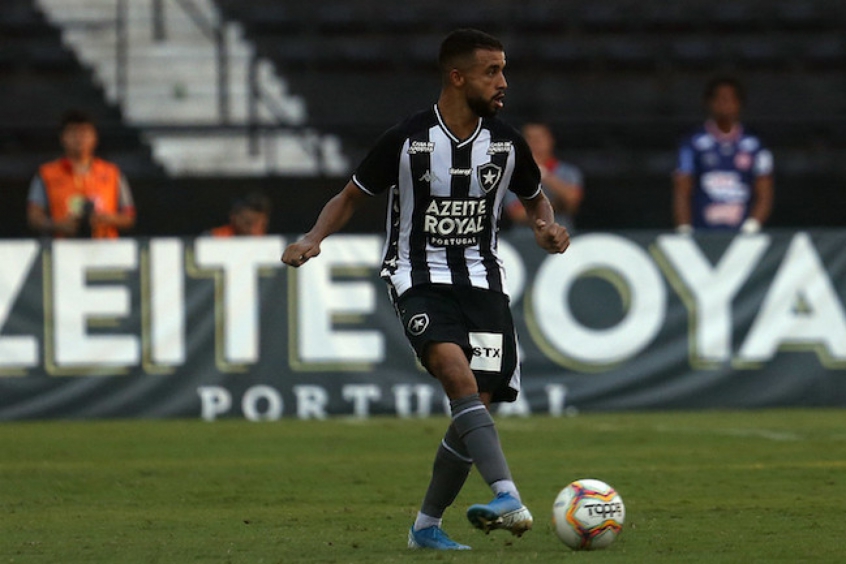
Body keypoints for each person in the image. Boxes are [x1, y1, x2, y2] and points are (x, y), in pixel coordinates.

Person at [282, 29, 569, 550]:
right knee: (454, 373)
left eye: (504, 70)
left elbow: (536, 198)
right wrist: (313, 237)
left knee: (474, 407)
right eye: (492, 72)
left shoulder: (506, 143)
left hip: (482, 281)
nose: (503, 82)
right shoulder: (408, 139)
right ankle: (507, 494)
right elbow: (350, 196)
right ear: (457, 77)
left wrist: (545, 227)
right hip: (417, 274)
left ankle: (425, 527)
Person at [673, 76, 774, 234]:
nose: (724, 104)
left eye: (729, 99)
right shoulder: (692, 144)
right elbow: (682, 189)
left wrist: (751, 227)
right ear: (709, 103)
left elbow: (765, 192)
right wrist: (684, 229)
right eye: (719, 99)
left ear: (739, 103)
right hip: (702, 232)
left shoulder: (755, 145)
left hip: (743, 233)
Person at [27, 110, 136, 238]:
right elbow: (34, 217)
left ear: (95, 137)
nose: (79, 138)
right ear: (63, 138)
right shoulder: (47, 174)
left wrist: (105, 219)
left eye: (84, 133)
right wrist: (59, 225)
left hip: (105, 248)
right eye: (73, 133)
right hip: (63, 248)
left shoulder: (112, 173)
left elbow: (129, 216)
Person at [505, 122, 583, 233]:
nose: (535, 143)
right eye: (530, 138)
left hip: (560, 237)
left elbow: (572, 200)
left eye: (540, 138)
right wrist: (554, 206)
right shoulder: (513, 173)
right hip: (525, 239)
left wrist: (542, 173)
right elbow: (517, 213)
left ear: (550, 140)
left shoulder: (568, 171)